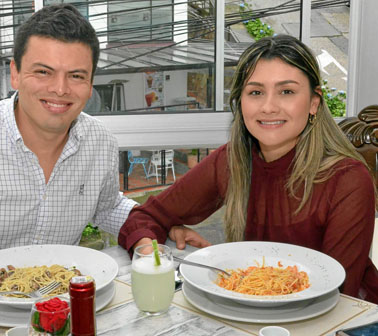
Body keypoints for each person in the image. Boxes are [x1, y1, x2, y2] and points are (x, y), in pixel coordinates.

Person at [119, 35, 378, 303]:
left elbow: (334, 295)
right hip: (254, 313)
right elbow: (146, 217)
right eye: (255, 92)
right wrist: (150, 251)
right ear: (240, 104)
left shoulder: (348, 179)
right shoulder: (233, 160)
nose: (268, 107)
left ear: (314, 102)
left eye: (286, 91)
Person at [0, 4, 140, 294]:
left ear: (91, 84)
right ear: (15, 73)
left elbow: (109, 207)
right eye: (43, 71)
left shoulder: (100, 141)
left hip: (57, 308)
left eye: (77, 76)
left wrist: (155, 226)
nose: (60, 89)